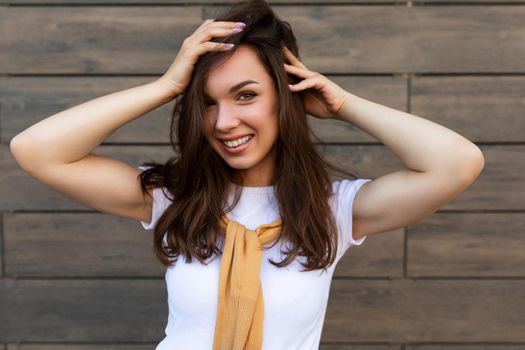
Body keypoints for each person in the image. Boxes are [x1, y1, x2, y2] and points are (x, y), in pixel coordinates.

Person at [9, 0, 484, 349]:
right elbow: (36, 150)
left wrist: (342, 105)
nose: (223, 122)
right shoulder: (174, 199)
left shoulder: (333, 210)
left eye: (245, 96)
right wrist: (166, 86)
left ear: (285, 95)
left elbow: (457, 163)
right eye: (208, 103)